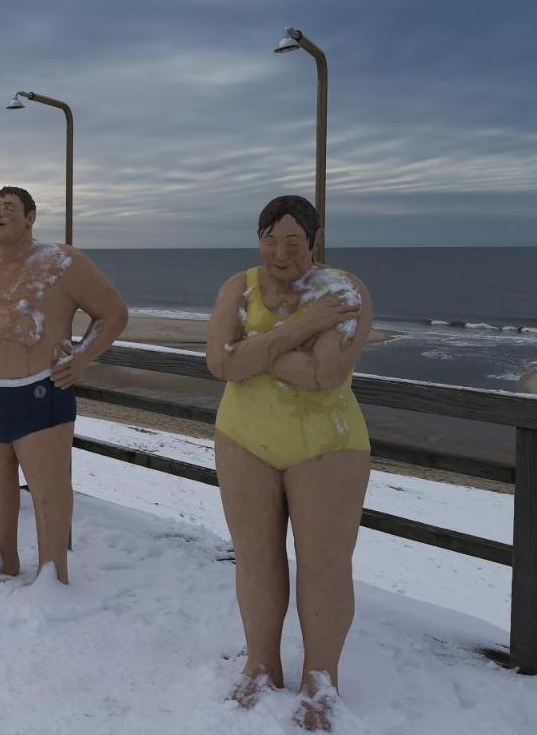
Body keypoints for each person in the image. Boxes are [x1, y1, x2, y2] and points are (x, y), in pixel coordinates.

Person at [205, 194, 373, 731]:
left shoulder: (343, 291)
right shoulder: (240, 286)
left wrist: (253, 351)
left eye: (293, 242)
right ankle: (260, 663)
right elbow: (218, 363)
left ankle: (321, 677)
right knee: (254, 557)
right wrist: (298, 330)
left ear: (315, 242)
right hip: (243, 438)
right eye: (270, 240)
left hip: (328, 443)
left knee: (324, 564)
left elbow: (326, 375)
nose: (280, 252)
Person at [0, 186, 127, 584]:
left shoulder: (62, 262)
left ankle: (53, 569)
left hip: (38, 392)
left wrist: (82, 357)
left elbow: (113, 313)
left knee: (48, 490)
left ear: (30, 218)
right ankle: (0, 558)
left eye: (9, 208)